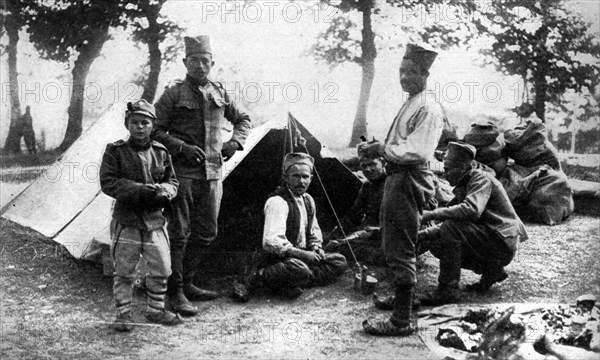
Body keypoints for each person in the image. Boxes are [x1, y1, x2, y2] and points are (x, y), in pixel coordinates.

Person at [152, 35, 251, 316]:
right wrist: (181, 147)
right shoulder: (173, 93)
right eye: (194, 60)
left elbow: (243, 119)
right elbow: (154, 130)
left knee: (207, 231)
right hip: (181, 173)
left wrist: (235, 142)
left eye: (205, 60)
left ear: (212, 63)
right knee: (179, 233)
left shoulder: (220, 92)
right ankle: (176, 291)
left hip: (212, 174)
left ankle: (190, 281)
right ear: (185, 62)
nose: (200, 65)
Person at [360, 43, 444, 336]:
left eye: (412, 72)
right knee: (393, 242)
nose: (405, 77)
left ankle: (401, 320)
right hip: (398, 177)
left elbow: (417, 152)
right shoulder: (412, 102)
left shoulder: (428, 107)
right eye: (402, 71)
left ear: (425, 74)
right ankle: (401, 301)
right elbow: (400, 147)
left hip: (410, 178)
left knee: (401, 246)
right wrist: (379, 148)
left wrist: (382, 149)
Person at [100, 99, 182, 332]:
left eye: (145, 122)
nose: (139, 127)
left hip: (155, 220)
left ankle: (155, 310)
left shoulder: (161, 151)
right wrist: (139, 190)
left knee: (162, 268)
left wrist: (165, 191)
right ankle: (123, 314)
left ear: (152, 125)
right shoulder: (115, 151)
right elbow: (108, 183)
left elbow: (172, 181)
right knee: (124, 270)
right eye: (134, 122)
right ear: (127, 124)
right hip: (128, 221)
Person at [417, 142, 528, 305]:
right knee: (437, 241)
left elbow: (471, 210)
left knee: (450, 229)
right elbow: (450, 224)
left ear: (463, 167)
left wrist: (430, 214)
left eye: (448, 169)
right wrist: (420, 235)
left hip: (501, 242)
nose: (445, 174)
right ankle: (493, 270)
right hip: (493, 238)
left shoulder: (480, 178)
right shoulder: (465, 184)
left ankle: (447, 290)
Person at [232, 153, 347, 301]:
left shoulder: (308, 200)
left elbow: (313, 230)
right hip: (274, 259)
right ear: (286, 177)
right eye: (296, 176)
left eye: (305, 177)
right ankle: (258, 278)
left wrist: (316, 247)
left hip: (299, 257)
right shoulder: (277, 202)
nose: (301, 181)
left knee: (339, 261)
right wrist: (303, 255)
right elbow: (271, 242)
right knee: (299, 269)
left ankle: (289, 284)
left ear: (311, 179)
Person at [324, 145, 387, 266]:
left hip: (393, 235)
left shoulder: (393, 185)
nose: (368, 169)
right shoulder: (367, 187)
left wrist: (348, 239)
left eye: (372, 164)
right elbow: (353, 215)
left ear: (383, 162)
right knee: (340, 247)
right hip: (372, 236)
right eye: (364, 166)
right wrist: (336, 234)